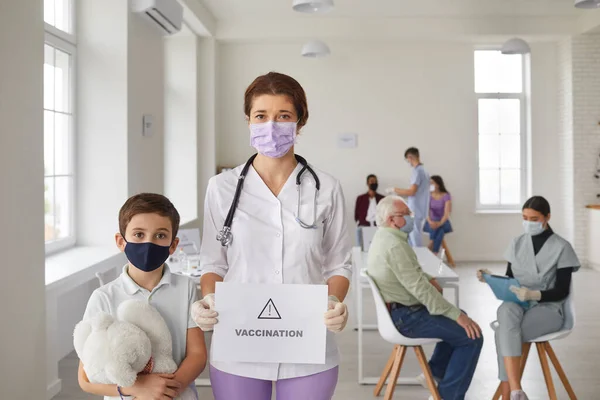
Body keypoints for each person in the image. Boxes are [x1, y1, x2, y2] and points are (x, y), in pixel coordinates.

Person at [192, 72, 352, 400]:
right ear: (248, 120)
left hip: (308, 346)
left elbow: (339, 264)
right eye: (261, 116)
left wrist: (335, 302)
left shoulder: (327, 188)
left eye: (283, 116)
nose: (271, 126)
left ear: (299, 122)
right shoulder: (222, 188)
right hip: (239, 342)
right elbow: (213, 262)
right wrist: (208, 299)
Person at [78, 193, 207, 400]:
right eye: (139, 234)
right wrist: (136, 388)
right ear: (121, 241)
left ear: (173, 245)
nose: (149, 243)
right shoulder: (103, 297)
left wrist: (166, 390)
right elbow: (85, 378)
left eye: (160, 235)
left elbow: (197, 355)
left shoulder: (186, 288)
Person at [368, 196, 483, 400]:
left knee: (460, 318)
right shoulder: (395, 246)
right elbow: (418, 288)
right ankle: (448, 396)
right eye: (407, 214)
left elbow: (411, 274)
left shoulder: (384, 237)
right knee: (471, 335)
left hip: (400, 311)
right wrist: (454, 314)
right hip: (406, 317)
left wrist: (430, 280)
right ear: (393, 220)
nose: (412, 218)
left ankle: (434, 374)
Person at [477, 196, 580, 400]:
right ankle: (517, 391)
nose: (528, 223)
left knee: (504, 333)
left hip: (549, 308)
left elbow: (562, 290)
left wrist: (535, 294)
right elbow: (510, 280)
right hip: (518, 303)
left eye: (534, 219)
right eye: (525, 218)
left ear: (547, 217)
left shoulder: (562, 247)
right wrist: (490, 278)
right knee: (505, 310)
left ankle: (509, 393)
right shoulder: (517, 243)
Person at [387, 147, 430, 247]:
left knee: (415, 237)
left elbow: (412, 192)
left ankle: (419, 260)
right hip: (420, 209)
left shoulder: (417, 171)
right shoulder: (424, 171)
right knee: (411, 236)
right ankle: (414, 259)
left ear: (410, 157)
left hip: (416, 210)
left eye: (407, 160)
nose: (408, 162)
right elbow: (419, 193)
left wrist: (395, 189)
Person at [424, 175, 453, 255]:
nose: (430, 185)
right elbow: (426, 212)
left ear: (438, 184)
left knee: (439, 228)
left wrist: (439, 223)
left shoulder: (446, 196)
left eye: (432, 183)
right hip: (430, 223)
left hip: (443, 222)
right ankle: (435, 252)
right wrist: (430, 222)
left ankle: (431, 244)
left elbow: (447, 213)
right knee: (440, 231)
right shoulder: (428, 196)